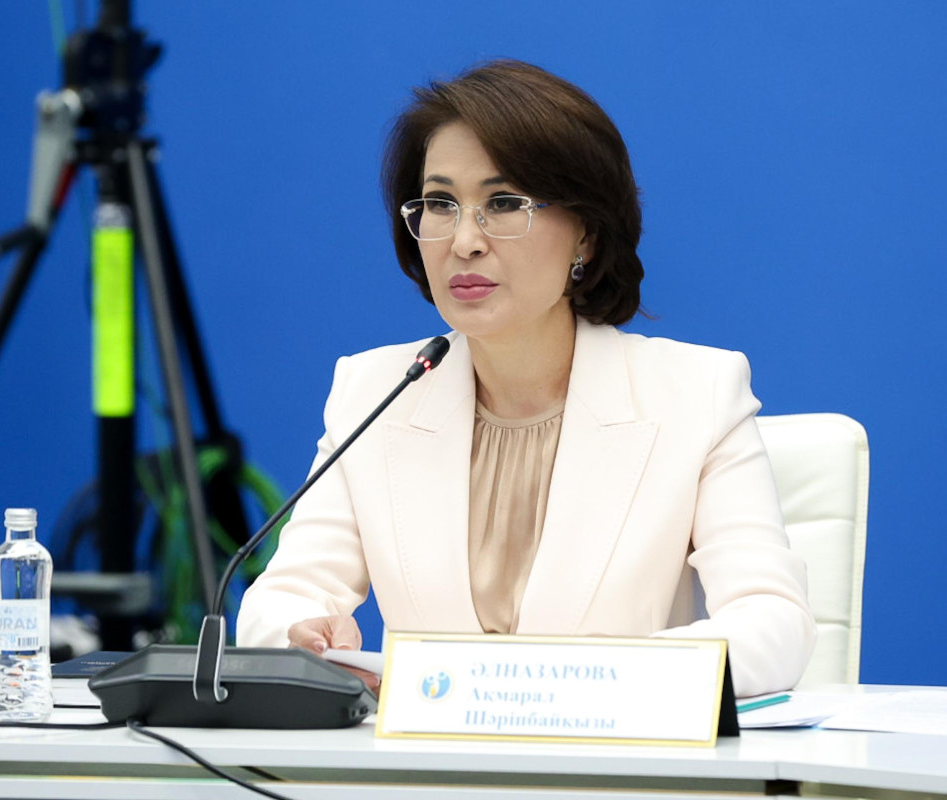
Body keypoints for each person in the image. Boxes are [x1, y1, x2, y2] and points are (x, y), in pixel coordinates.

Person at [235, 59, 815, 698]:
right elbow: (279, 601)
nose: (464, 241)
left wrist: (607, 681)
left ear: (585, 235)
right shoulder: (377, 390)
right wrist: (305, 636)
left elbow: (774, 625)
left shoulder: (696, 393)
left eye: (504, 204)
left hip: (610, 750)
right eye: (440, 204)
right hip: (430, 756)